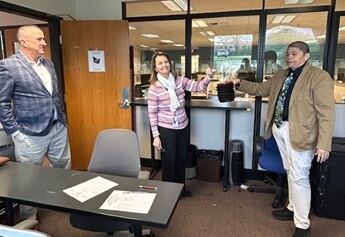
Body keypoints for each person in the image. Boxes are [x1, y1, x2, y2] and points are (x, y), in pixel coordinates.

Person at [230, 41, 335, 237]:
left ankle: (303, 225)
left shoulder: (319, 77)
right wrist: (240, 83)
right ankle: (293, 208)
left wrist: (323, 143)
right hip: (279, 130)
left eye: (294, 53)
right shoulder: (281, 75)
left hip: (301, 135)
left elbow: (326, 113)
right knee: (290, 171)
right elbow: (261, 89)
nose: (289, 57)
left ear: (306, 56)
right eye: (287, 53)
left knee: (300, 177)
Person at [0, 25, 71, 221]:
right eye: (39, 39)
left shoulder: (48, 64)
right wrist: (16, 133)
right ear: (23, 42)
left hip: (57, 127)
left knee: (63, 166)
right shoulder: (8, 66)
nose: (44, 43)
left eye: (43, 39)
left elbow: (54, 95)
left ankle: (63, 202)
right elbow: (2, 103)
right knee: (28, 179)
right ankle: (29, 219)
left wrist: (63, 121)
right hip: (29, 133)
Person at [147, 51, 215, 197]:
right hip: (166, 130)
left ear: (169, 64)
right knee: (169, 162)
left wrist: (208, 77)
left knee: (181, 159)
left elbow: (197, 86)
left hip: (182, 126)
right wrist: (156, 136)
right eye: (160, 63)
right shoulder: (154, 89)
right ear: (155, 68)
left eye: (166, 62)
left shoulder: (179, 80)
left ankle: (180, 190)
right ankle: (169, 194)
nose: (164, 65)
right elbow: (152, 114)